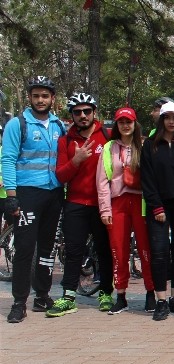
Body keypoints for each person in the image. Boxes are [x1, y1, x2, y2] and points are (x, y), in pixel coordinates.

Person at [2, 76, 67, 323]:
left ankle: (42, 295)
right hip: (28, 194)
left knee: (47, 249)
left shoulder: (58, 125)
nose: (40, 100)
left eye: (45, 96)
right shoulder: (17, 125)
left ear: (52, 98)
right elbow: (7, 159)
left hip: (53, 194)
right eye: (36, 96)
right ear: (30, 97)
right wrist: (11, 196)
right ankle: (19, 301)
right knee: (25, 248)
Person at [48, 92, 114, 316]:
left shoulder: (107, 136)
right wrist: (76, 160)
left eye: (87, 111)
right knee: (74, 250)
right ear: (72, 116)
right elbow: (60, 176)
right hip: (75, 203)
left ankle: (106, 292)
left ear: (94, 113)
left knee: (104, 250)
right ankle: (68, 295)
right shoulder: (65, 141)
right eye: (78, 112)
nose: (83, 116)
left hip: (102, 205)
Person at [97, 107, 155, 314]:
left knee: (145, 249)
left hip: (141, 202)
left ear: (135, 123)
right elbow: (103, 181)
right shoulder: (109, 147)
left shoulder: (145, 144)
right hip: (118, 202)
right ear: (116, 125)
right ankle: (120, 295)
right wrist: (105, 210)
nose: (125, 125)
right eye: (121, 122)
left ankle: (151, 293)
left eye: (128, 121)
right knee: (118, 249)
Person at [141, 101, 174, 320]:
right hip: (159, 207)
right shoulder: (151, 144)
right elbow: (147, 178)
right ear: (161, 120)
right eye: (167, 117)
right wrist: (156, 206)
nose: (171, 121)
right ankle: (161, 299)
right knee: (160, 252)